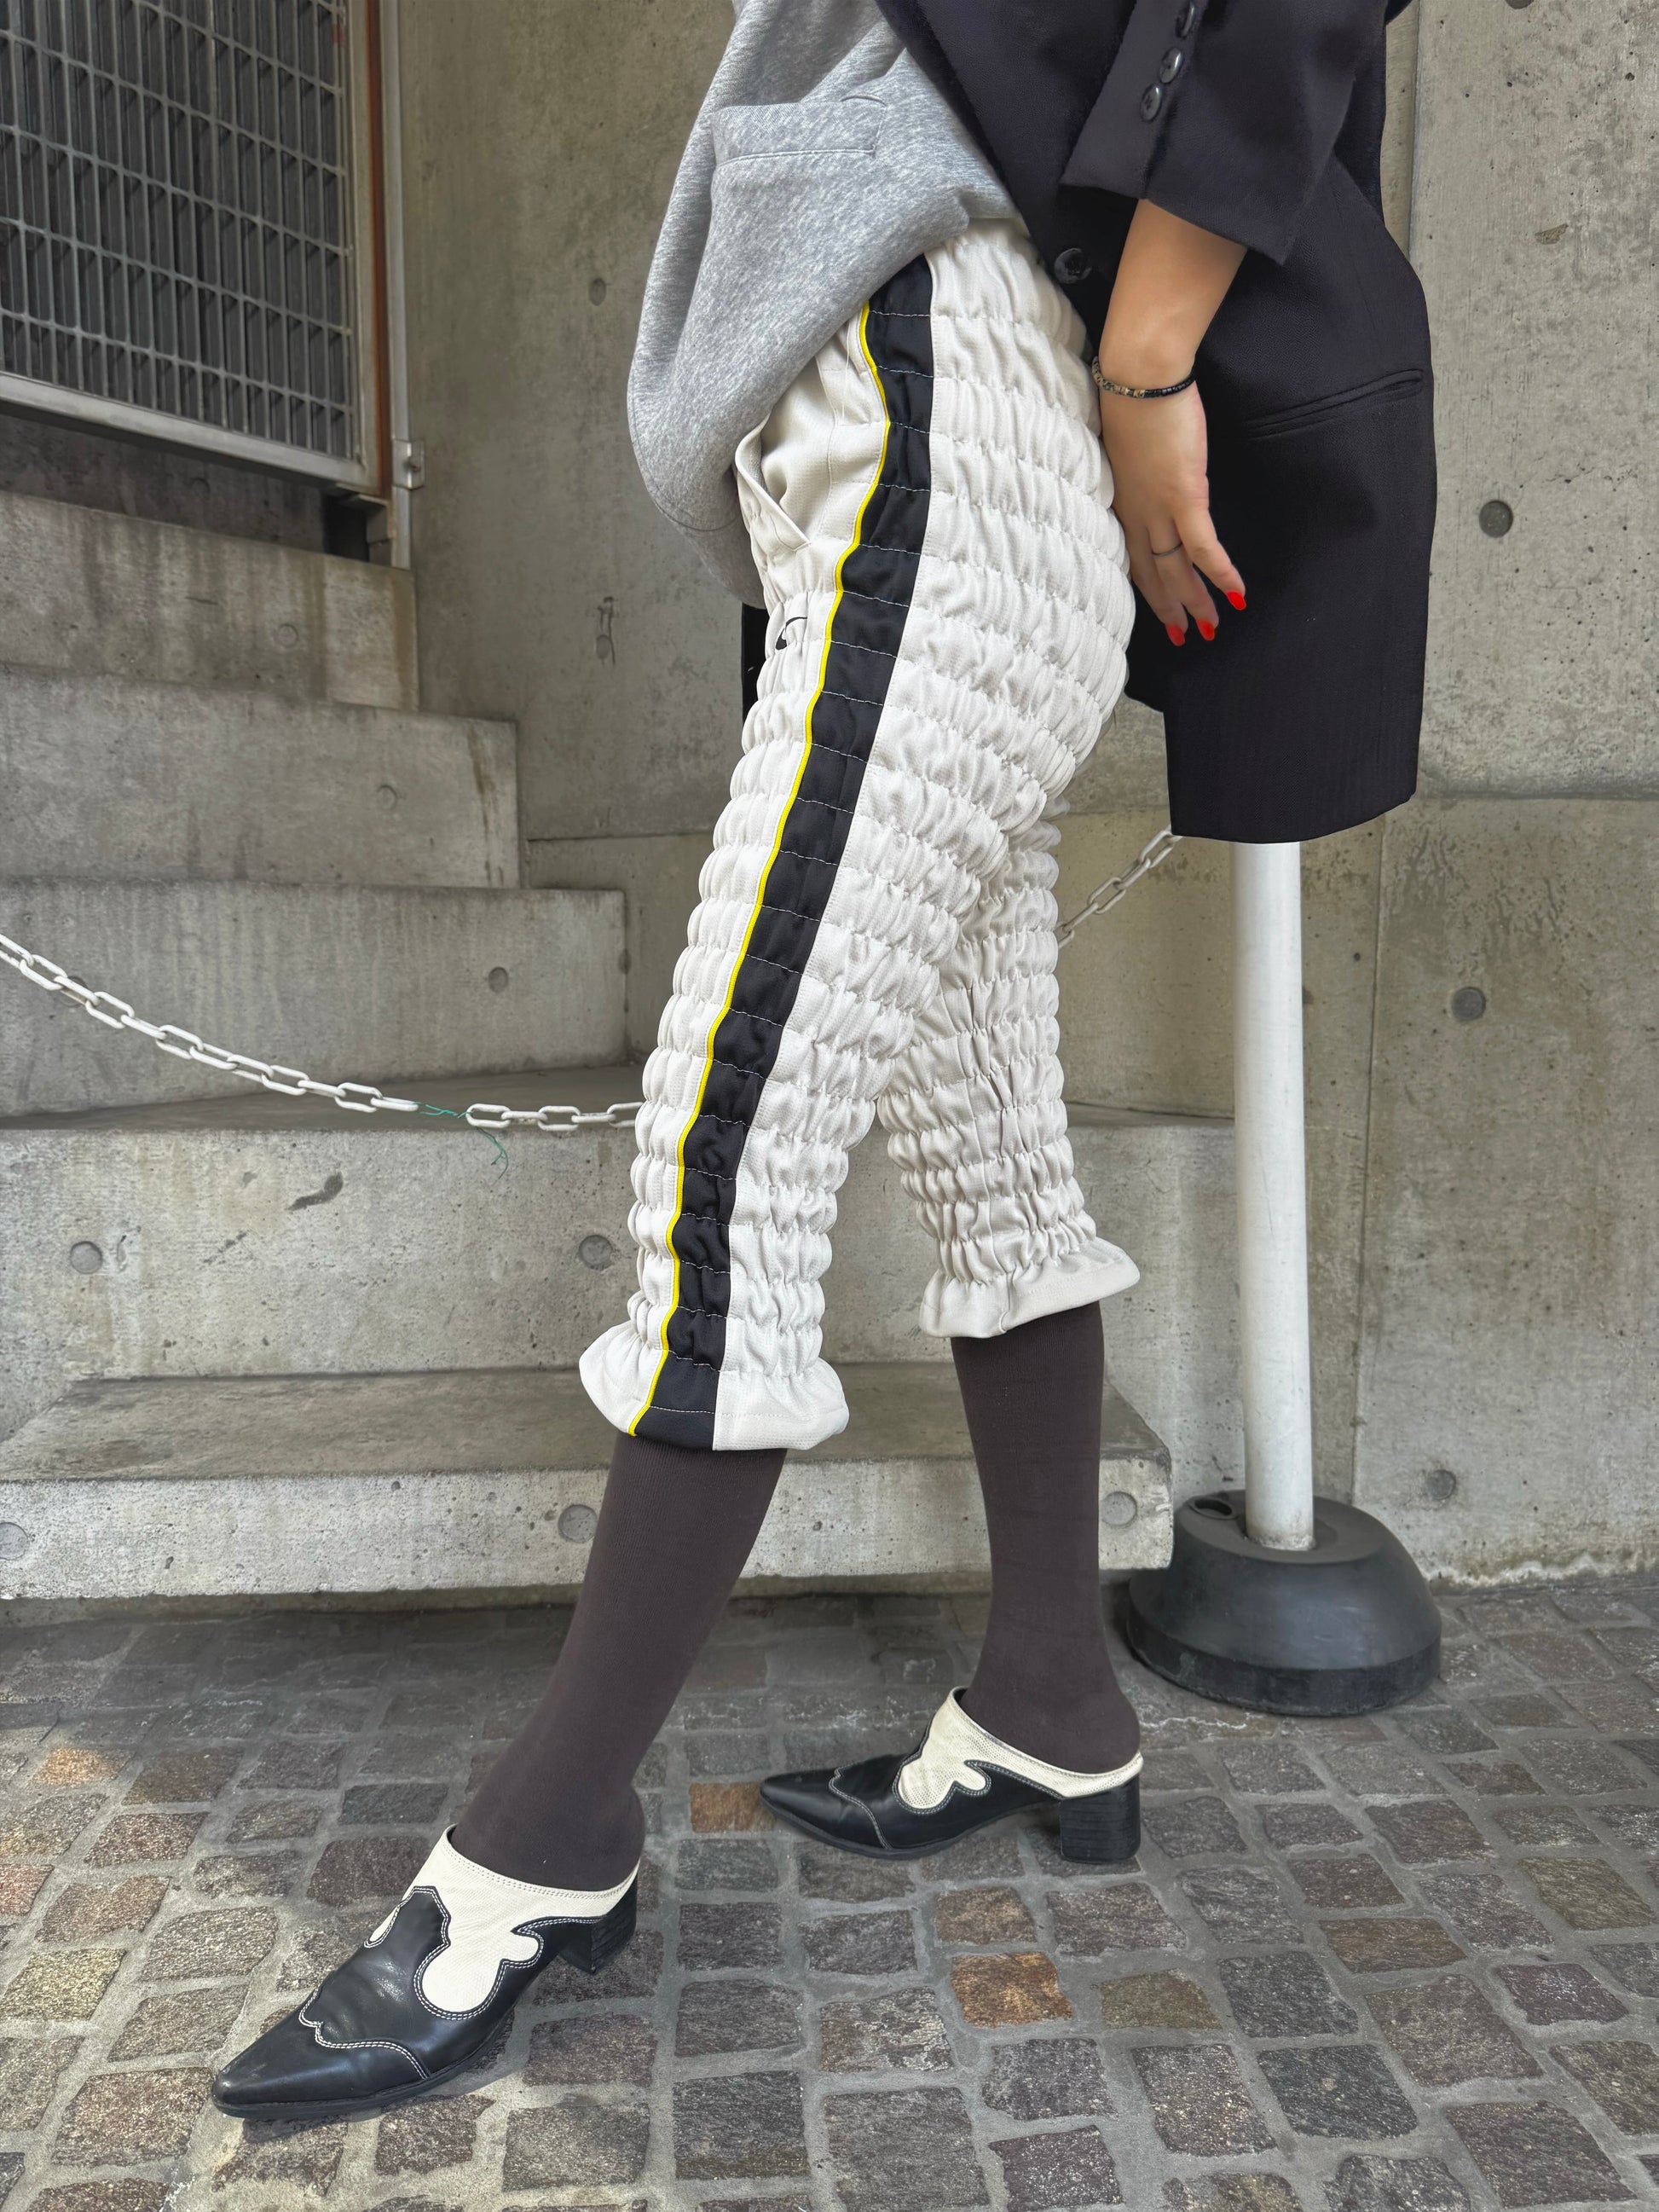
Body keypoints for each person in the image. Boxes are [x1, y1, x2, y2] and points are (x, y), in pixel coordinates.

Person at [213, 0, 1431, 2119]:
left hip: (954, 403)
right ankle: (1054, 1700)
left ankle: (544, 1838)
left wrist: (1149, 355)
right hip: (924, 431)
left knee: (731, 1134)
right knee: (986, 1144)